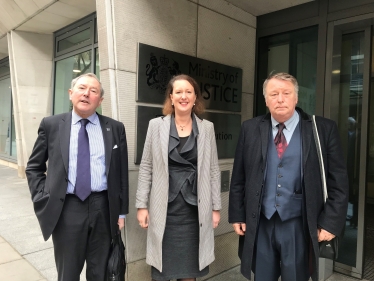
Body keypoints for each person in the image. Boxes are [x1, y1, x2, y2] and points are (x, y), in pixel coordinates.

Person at [229, 72, 349, 281]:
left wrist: (331, 222)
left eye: (286, 93)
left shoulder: (322, 129)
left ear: (296, 98)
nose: (280, 99)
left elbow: (338, 181)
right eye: (274, 94)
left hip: (299, 224)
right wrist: (238, 214)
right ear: (266, 100)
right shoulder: (250, 128)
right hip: (261, 222)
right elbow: (239, 176)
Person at [26, 73, 129, 281]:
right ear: (71, 94)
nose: (87, 94)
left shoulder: (115, 128)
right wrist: (42, 196)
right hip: (67, 208)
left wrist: (122, 213)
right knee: (68, 274)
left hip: (103, 208)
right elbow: (34, 167)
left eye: (94, 91)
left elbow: (121, 174)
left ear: (100, 100)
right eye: (82, 88)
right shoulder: (52, 125)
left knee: (100, 273)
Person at [136, 74, 221, 281]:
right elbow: (146, 166)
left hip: (194, 212)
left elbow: (213, 170)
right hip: (164, 209)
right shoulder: (156, 126)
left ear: (195, 98)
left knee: (189, 272)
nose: (184, 96)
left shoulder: (207, 128)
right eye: (179, 92)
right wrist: (141, 205)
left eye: (189, 92)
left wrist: (215, 208)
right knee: (162, 271)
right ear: (171, 97)